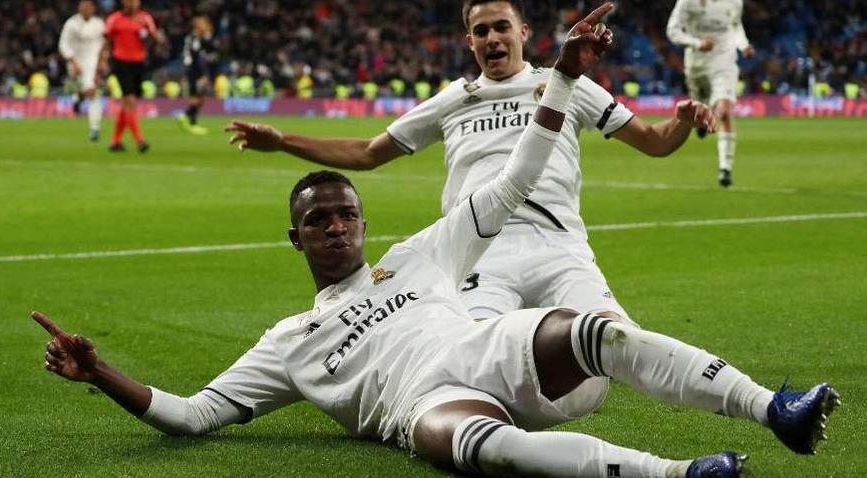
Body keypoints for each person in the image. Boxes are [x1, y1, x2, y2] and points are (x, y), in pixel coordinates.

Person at [37, 9, 838, 478]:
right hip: (424, 404)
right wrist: (100, 372)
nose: (337, 226)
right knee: (475, 448)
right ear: (296, 238)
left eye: (345, 215)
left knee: (597, 334)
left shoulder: (420, 252)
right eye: (319, 221)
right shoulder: (289, 342)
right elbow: (193, 414)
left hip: (507, 312)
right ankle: (685, 473)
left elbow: (520, 174)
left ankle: (775, 410)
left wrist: (559, 81)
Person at [224, 0, 715, 338]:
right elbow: (369, 153)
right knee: (477, 355)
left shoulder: (566, 83)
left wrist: (681, 123)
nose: (492, 37)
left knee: (617, 337)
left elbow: (653, 143)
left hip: (558, 243)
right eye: (481, 31)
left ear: (522, 33)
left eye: (502, 26)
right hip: (478, 251)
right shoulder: (454, 99)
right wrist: (283, 140)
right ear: (470, 41)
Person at [666, 0, 754, 187]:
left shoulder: (735, 2)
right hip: (696, 65)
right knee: (699, 109)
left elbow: (735, 26)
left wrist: (743, 44)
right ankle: (703, 122)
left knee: (725, 110)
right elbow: (672, 31)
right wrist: (697, 43)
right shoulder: (687, 2)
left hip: (724, 61)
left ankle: (725, 169)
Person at [102, 0, 163, 152]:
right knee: (130, 101)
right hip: (121, 62)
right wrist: (103, 60)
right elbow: (107, 41)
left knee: (128, 103)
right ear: (123, 2)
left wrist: (149, 34)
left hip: (139, 63)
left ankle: (115, 141)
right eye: (129, 1)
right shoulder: (114, 19)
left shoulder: (145, 18)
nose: (132, 4)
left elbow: (157, 39)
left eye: (135, 1)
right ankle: (140, 141)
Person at [58, 0, 105, 142]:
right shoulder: (71, 24)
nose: (85, 9)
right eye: (83, 6)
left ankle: (94, 129)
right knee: (88, 90)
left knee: (92, 92)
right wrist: (72, 61)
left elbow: (105, 45)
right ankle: (79, 97)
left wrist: (102, 62)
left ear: (93, 8)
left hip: (93, 62)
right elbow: (63, 44)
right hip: (76, 61)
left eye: (88, 6)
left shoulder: (99, 24)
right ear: (79, 7)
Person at [177, 15, 218, 136]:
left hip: (193, 69)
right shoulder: (194, 38)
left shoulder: (195, 38)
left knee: (200, 97)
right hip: (195, 70)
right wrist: (203, 75)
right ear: (197, 26)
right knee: (197, 97)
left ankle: (192, 123)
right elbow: (195, 56)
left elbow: (210, 48)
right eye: (203, 24)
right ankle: (185, 117)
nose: (205, 26)